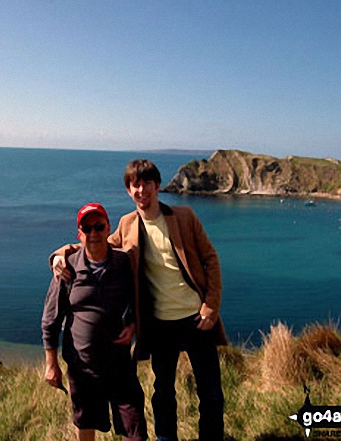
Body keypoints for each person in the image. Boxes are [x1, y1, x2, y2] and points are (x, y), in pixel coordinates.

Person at [52, 160, 227, 441]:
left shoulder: (184, 216)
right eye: (135, 185)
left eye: (147, 183)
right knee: (164, 393)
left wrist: (211, 305)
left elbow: (210, 258)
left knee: (211, 393)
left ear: (157, 186)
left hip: (198, 318)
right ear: (128, 190)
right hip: (160, 324)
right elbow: (97, 243)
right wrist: (60, 254)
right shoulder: (127, 224)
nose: (141, 190)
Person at [42, 202, 148, 441]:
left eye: (99, 227)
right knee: (86, 422)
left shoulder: (123, 263)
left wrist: (132, 323)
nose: (94, 233)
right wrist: (51, 363)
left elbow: (137, 299)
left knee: (135, 427)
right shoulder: (67, 268)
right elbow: (51, 318)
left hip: (119, 363)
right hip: (82, 365)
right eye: (87, 228)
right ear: (79, 233)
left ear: (108, 228)